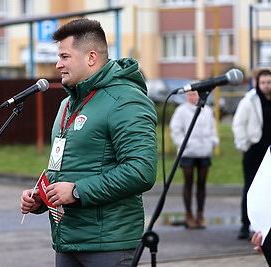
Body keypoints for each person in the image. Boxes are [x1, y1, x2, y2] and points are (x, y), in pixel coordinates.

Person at [20, 18, 157, 266]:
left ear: (91, 57)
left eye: (65, 56)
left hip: (108, 244)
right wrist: (42, 195)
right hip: (67, 238)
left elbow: (141, 171)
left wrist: (76, 191)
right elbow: (70, 163)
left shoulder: (124, 100)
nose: (57, 64)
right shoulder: (67, 103)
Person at [169, 91, 219, 229]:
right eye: (190, 94)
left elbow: (212, 128)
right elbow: (175, 129)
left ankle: (200, 214)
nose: (192, 97)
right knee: (188, 183)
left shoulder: (207, 110)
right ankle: (189, 214)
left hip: (204, 151)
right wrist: (183, 144)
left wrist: (213, 142)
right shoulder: (181, 111)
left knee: (202, 184)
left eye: (195, 94)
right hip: (188, 153)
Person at [232, 69, 271, 240]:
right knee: (250, 188)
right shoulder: (249, 101)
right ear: (257, 83)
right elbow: (238, 124)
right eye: (263, 82)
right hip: (254, 151)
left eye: (269, 82)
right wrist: (244, 145)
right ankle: (245, 224)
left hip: (270, 152)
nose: (266, 86)